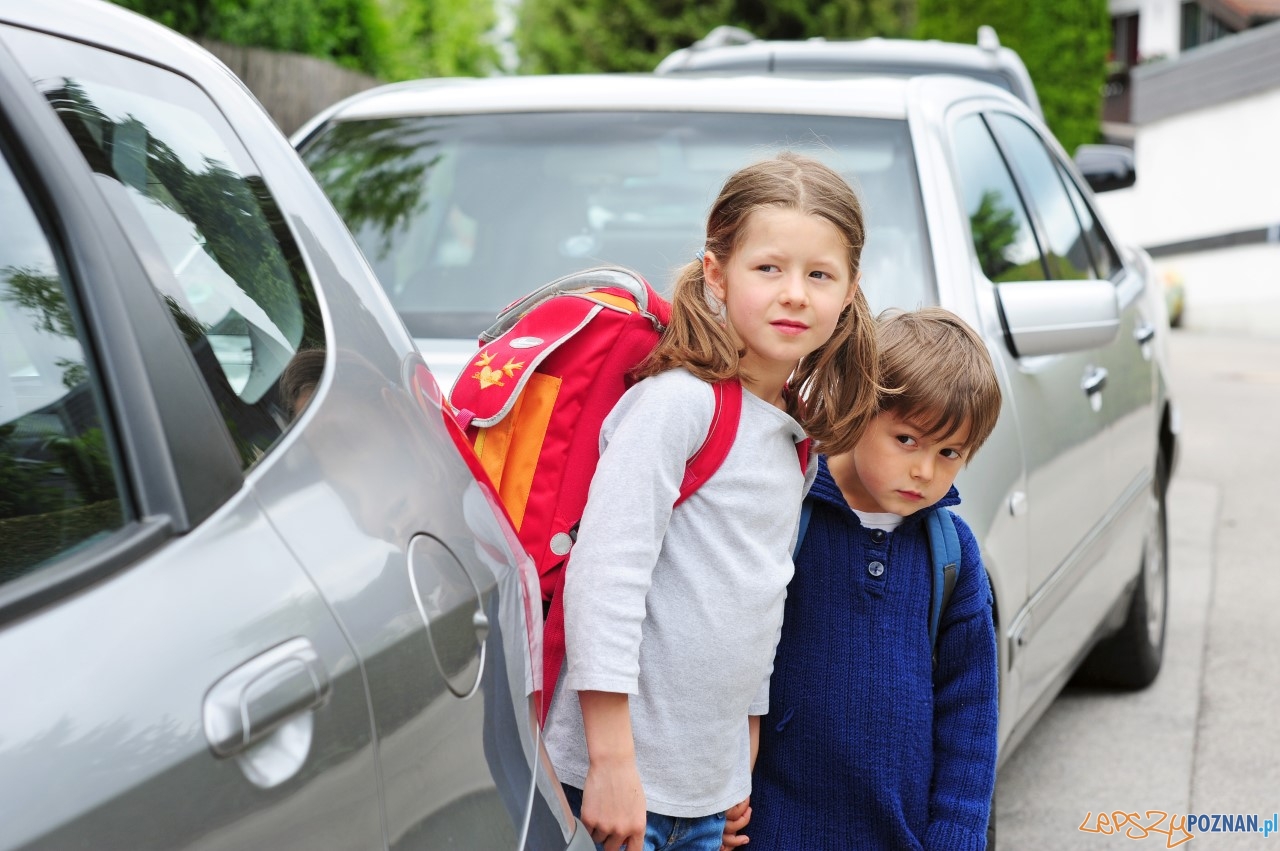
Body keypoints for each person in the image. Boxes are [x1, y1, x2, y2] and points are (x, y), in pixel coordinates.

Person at [541, 151, 882, 851]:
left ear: (848, 292)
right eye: (769, 268)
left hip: (706, 796)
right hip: (612, 787)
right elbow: (605, 581)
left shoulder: (792, 433)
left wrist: (737, 764)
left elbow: (754, 601)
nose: (795, 293)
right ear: (717, 275)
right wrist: (609, 763)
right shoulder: (678, 406)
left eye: (819, 274)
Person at [734, 306, 1003, 850]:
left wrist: (957, 834)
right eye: (906, 439)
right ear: (859, 410)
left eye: (949, 452)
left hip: (901, 835)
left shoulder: (952, 554)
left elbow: (970, 712)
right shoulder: (786, 511)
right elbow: (727, 656)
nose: (925, 470)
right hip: (775, 829)